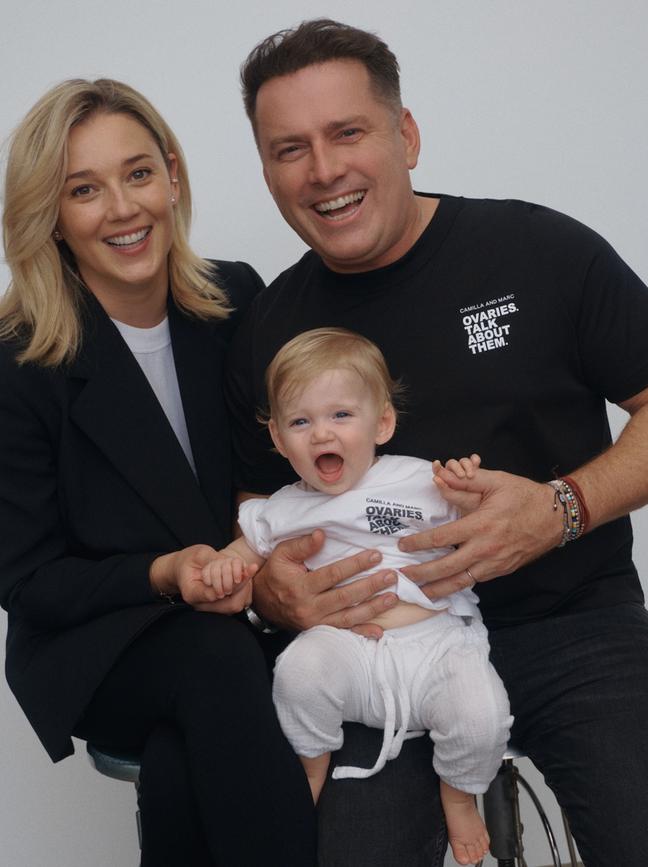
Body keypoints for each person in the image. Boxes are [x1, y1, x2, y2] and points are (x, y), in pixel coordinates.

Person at [227, 18, 648, 867]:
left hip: (573, 626)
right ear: (268, 168)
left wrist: (562, 508)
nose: (324, 171)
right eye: (289, 148)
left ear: (405, 134)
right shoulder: (269, 326)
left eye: (347, 132)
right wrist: (275, 592)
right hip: (374, 645)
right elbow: (252, 501)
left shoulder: (541, 251)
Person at [0, 78, 316, 867]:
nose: (122, 208)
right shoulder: (17, 361)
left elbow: (299, 454)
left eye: (138, 173)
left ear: (173, 176)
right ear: (52, 216)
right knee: (213, 662)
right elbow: (28, 578)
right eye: (84, 189)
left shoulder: (238, 297)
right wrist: (168, 573)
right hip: (101, 640)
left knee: (182, 763)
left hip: (244, 620)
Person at [204, 327, 512, 866]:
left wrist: (467, 491)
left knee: (483, 713)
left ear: (383, 423)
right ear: (277, 438)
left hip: (436, 645)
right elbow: (247, 549)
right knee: (299, 670)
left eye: (341, 416)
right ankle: (311, 760)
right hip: (349, 653)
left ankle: (460, 793)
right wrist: (226, 564)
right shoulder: (283, 506)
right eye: (301, 421)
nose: (322, 433)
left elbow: (479, 524)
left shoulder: (418, 480)